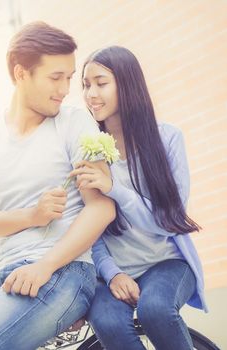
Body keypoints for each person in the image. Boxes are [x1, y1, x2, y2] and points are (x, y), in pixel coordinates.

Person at [0, 22, 116, 350]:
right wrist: (30, 216)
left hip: (62, 273)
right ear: (20, 74)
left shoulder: (74, 122)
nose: (65, 88)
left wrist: (45, 266)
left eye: (69, 77)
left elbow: (101, 207)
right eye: (56, 77)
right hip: (7, 278)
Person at [72, 46, 207, 350]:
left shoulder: (168, 139)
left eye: (101, 83)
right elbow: (86, 226)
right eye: (85, 84)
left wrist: (113, 189)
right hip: (113, 270)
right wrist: (113, 273)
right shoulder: (87, 152)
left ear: (127, 83)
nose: (91, 93)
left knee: (155, 309)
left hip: (167, 263)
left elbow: (168, 221)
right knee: (107, 322)